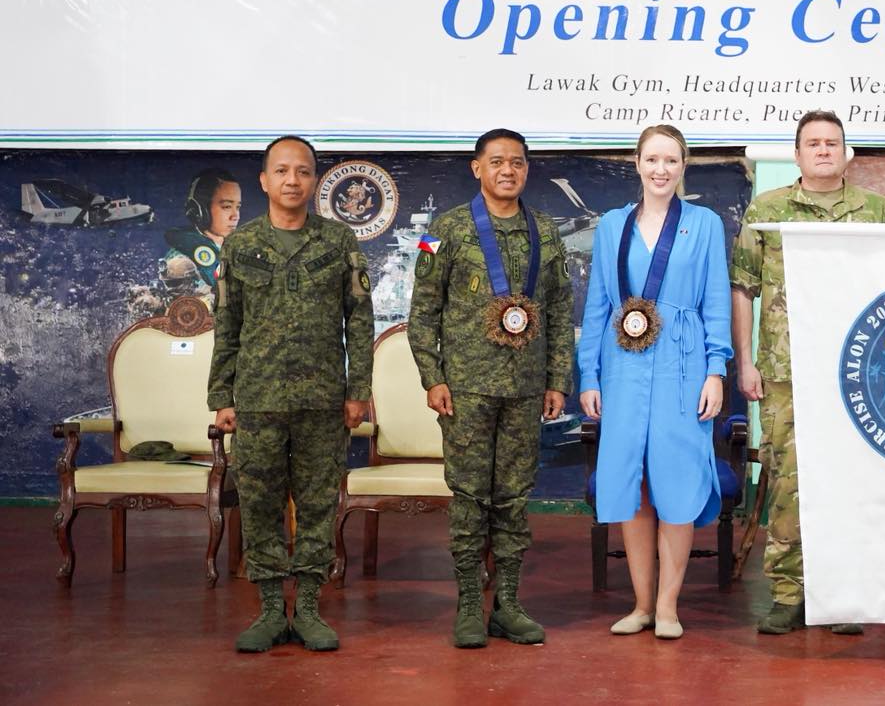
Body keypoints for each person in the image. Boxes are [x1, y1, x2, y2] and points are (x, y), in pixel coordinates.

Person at [730, 110, 885, 635]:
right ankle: (788, 593)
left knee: (855, 478)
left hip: (859, 375)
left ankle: (845, 593)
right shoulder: (768, 209)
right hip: (787, 374)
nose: (824, 150)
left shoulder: (877, 211)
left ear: (847, 153)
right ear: (798, 155)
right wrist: (746, 361)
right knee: (787, 481)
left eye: (833, 142)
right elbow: (743, 287)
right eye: (813, 143)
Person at [407, 128, 573, 649]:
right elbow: (422, 313)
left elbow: (561, 309)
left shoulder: (546, 230)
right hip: (466, 390)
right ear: (477, 168)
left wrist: (556, 381)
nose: (508, 170)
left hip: (525, 390)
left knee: (514, 500)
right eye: (497, 161)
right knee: (470, 498)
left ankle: (507, 604)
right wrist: (433, 378)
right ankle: (467, 608)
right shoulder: (443, 230)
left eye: (517, 163)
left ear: (526, 170)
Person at [208, 135, 373, 653]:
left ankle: (306, 608)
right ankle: (269, 611)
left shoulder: (338, 242)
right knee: (258, 505)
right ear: (265, 181)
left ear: (315, 180)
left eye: (302, 171)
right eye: (282, 171)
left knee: (319, 504)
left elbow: (360, 320)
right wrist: (222, 395)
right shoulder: (241, 245)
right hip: (257, 400)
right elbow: (227, 324)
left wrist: (359, 389)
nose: (292, 181)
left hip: (323, 401)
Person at [577, 125, 732, 641]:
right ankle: (641, 604)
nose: (661, 169)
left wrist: (716, 369)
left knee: (677, 478)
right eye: (652, 159)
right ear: (637, 164)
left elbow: (715, 299)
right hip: (622, 367)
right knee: (632, 484)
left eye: (671, 160)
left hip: (682, 366)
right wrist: (589, 374)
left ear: (683, 165)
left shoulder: (704, 224)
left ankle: (668, 606)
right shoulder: (611, 226)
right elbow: (598, 304)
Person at [160, 168, 242, 307]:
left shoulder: (239, 248)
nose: (235, 216)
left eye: (238, 207)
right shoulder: (181, 259)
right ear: (201, 210)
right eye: (227, 206)